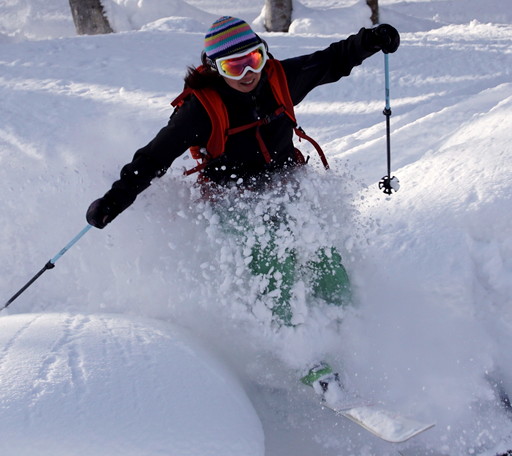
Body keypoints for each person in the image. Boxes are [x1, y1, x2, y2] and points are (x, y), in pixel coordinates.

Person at [86, 16, 400, 327]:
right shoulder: (199, 110)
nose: (248, 73)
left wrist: (370, 40)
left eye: (253, 59)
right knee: (273, 261)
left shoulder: (279, 79)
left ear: (263, 53)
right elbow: (154, 157)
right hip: (232, 198)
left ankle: (350, 327)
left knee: (322, 254)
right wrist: (116, 199)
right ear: (215, 68)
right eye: (233, 67)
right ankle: (299, 350)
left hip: (286, 181)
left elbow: (333, 59)